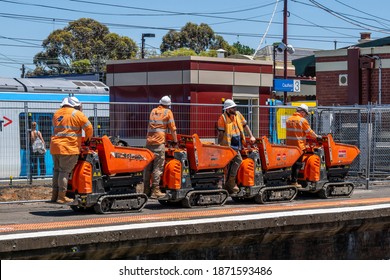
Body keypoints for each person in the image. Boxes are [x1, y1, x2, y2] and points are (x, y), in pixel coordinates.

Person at [50, 96, 93, 204]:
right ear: (76, 105)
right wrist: (87, 140)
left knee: (57, 171)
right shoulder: (77, 114)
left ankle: (54, 196)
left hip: (55, 147)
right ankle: (61, 197)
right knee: (64, 172)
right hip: (69, 147)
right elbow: (89, 128)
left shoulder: (57, 114)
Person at [217, 99, 256, 194]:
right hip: (228, 145)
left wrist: (251, 135)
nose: (235, 109)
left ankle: (229, 183)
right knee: (237, 160)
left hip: (238, 143)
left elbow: (245, 125)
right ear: (227, 109)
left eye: (235, 107)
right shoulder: (223, 118)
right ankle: (230, 182)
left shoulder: (238, 114)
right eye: (233, 108)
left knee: (233, 163)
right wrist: (219, 146)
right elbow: (221, 134)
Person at [144, 95, 178, 199]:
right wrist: (175, 141)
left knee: (148, 168)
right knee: (157, 168)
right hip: (159, 144)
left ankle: (146, 190)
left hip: (149, 143)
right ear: (168, 105)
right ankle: (155, 190)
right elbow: (172, 129)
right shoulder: (168, 112)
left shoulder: (153, 111)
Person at [286, 104, 320, 186]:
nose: (305, 115)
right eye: (305, 113)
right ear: (302, 112)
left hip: (289, 146)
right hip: (299, 146)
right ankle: (294, 182)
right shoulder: (302, 120)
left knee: (291, 164)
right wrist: (317, 137)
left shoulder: (289, 119)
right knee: (298, 164)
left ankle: (289, 180)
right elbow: (309, 132)